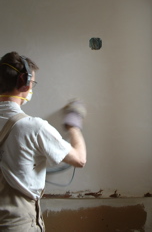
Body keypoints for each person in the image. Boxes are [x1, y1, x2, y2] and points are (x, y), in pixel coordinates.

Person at [0, 51, 87, 231]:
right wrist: (74, 125)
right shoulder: (33, 127)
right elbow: (79, 159)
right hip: (17, 224)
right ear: (23, 82)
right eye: (32, 83)